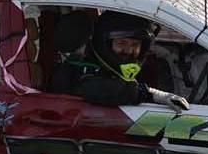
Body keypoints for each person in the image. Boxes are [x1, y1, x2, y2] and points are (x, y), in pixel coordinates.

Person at [48, 12, 186, 108]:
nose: (129, 51)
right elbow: (108, 90)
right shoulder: (82, 72)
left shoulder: (107, 67)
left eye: (135, 45)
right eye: (121, 44)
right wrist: (155, 95)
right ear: (104, 44)